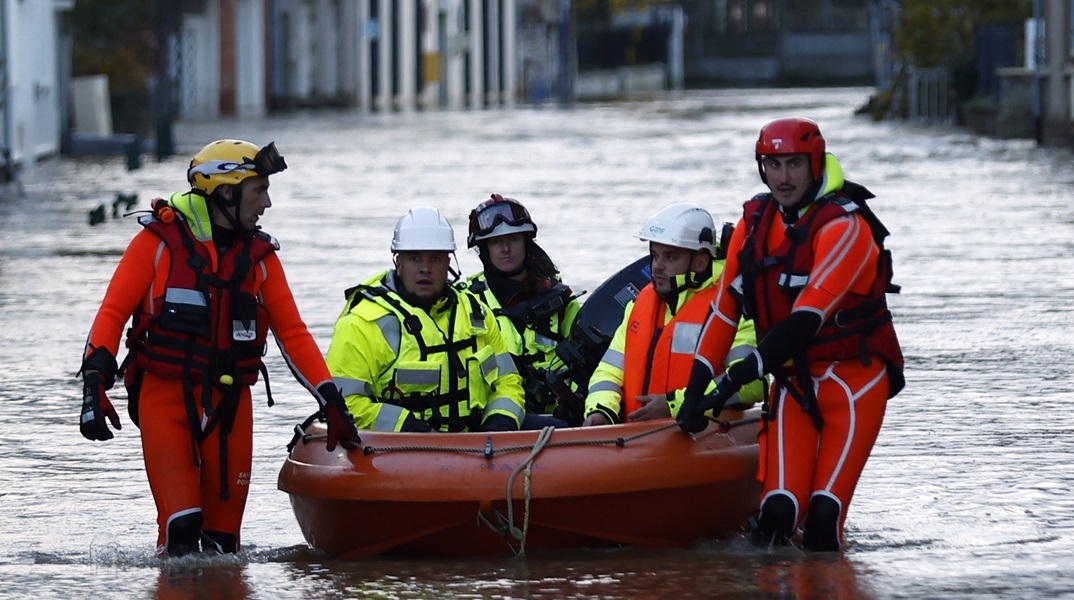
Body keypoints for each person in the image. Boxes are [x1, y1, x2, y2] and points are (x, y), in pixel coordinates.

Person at [77, 139, 361, 558]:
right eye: (258, 190)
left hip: (230, 407)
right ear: (225, 192)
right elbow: (112, 313)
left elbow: (294, 335)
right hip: (165, 399)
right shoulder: (157, 244)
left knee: (224, 548)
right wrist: (94, 384)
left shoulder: (261, 260)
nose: (267, 203)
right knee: (182, 533)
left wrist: (331, 400)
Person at [678, 117, 905, 552]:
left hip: (853, 382)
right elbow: (725, 312)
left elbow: (806, 320)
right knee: (778, 515)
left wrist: (732, 379)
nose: (783, 177)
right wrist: (693, 391)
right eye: (773, 164)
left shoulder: (846, 227)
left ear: (816, 164)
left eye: (794, 164)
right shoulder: (754, 221)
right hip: (793, 385)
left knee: (822, 521)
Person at [325, 206, 526, 433]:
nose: (425, 269)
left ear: (449, 263)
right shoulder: (362, 324)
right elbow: (345, 403)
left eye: (436, 259)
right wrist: (408, 427)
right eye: (415, 258)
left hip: (479, 442)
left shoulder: (477, 314)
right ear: (398, 262)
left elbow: (507, 381)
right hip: (400, 450)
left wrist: (501, 421)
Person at [581, 202, 763, 427]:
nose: (657, 266)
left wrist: (673, 404)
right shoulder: (638, 306)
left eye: (671, 257)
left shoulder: (733, 309)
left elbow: (751, 385)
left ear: (700, 261)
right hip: (635, 440)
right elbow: (608, 372)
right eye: (655, 255)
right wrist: (602, 409)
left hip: (695, 434)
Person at [462, 194, 582, 427]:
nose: (506, 248)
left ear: (526, 242)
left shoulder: (561, 300)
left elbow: (585, 360)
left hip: (560, 419)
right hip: (495, 420)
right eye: (496, 242)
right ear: (484, 249)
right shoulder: (467, 301)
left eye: (514, 239)